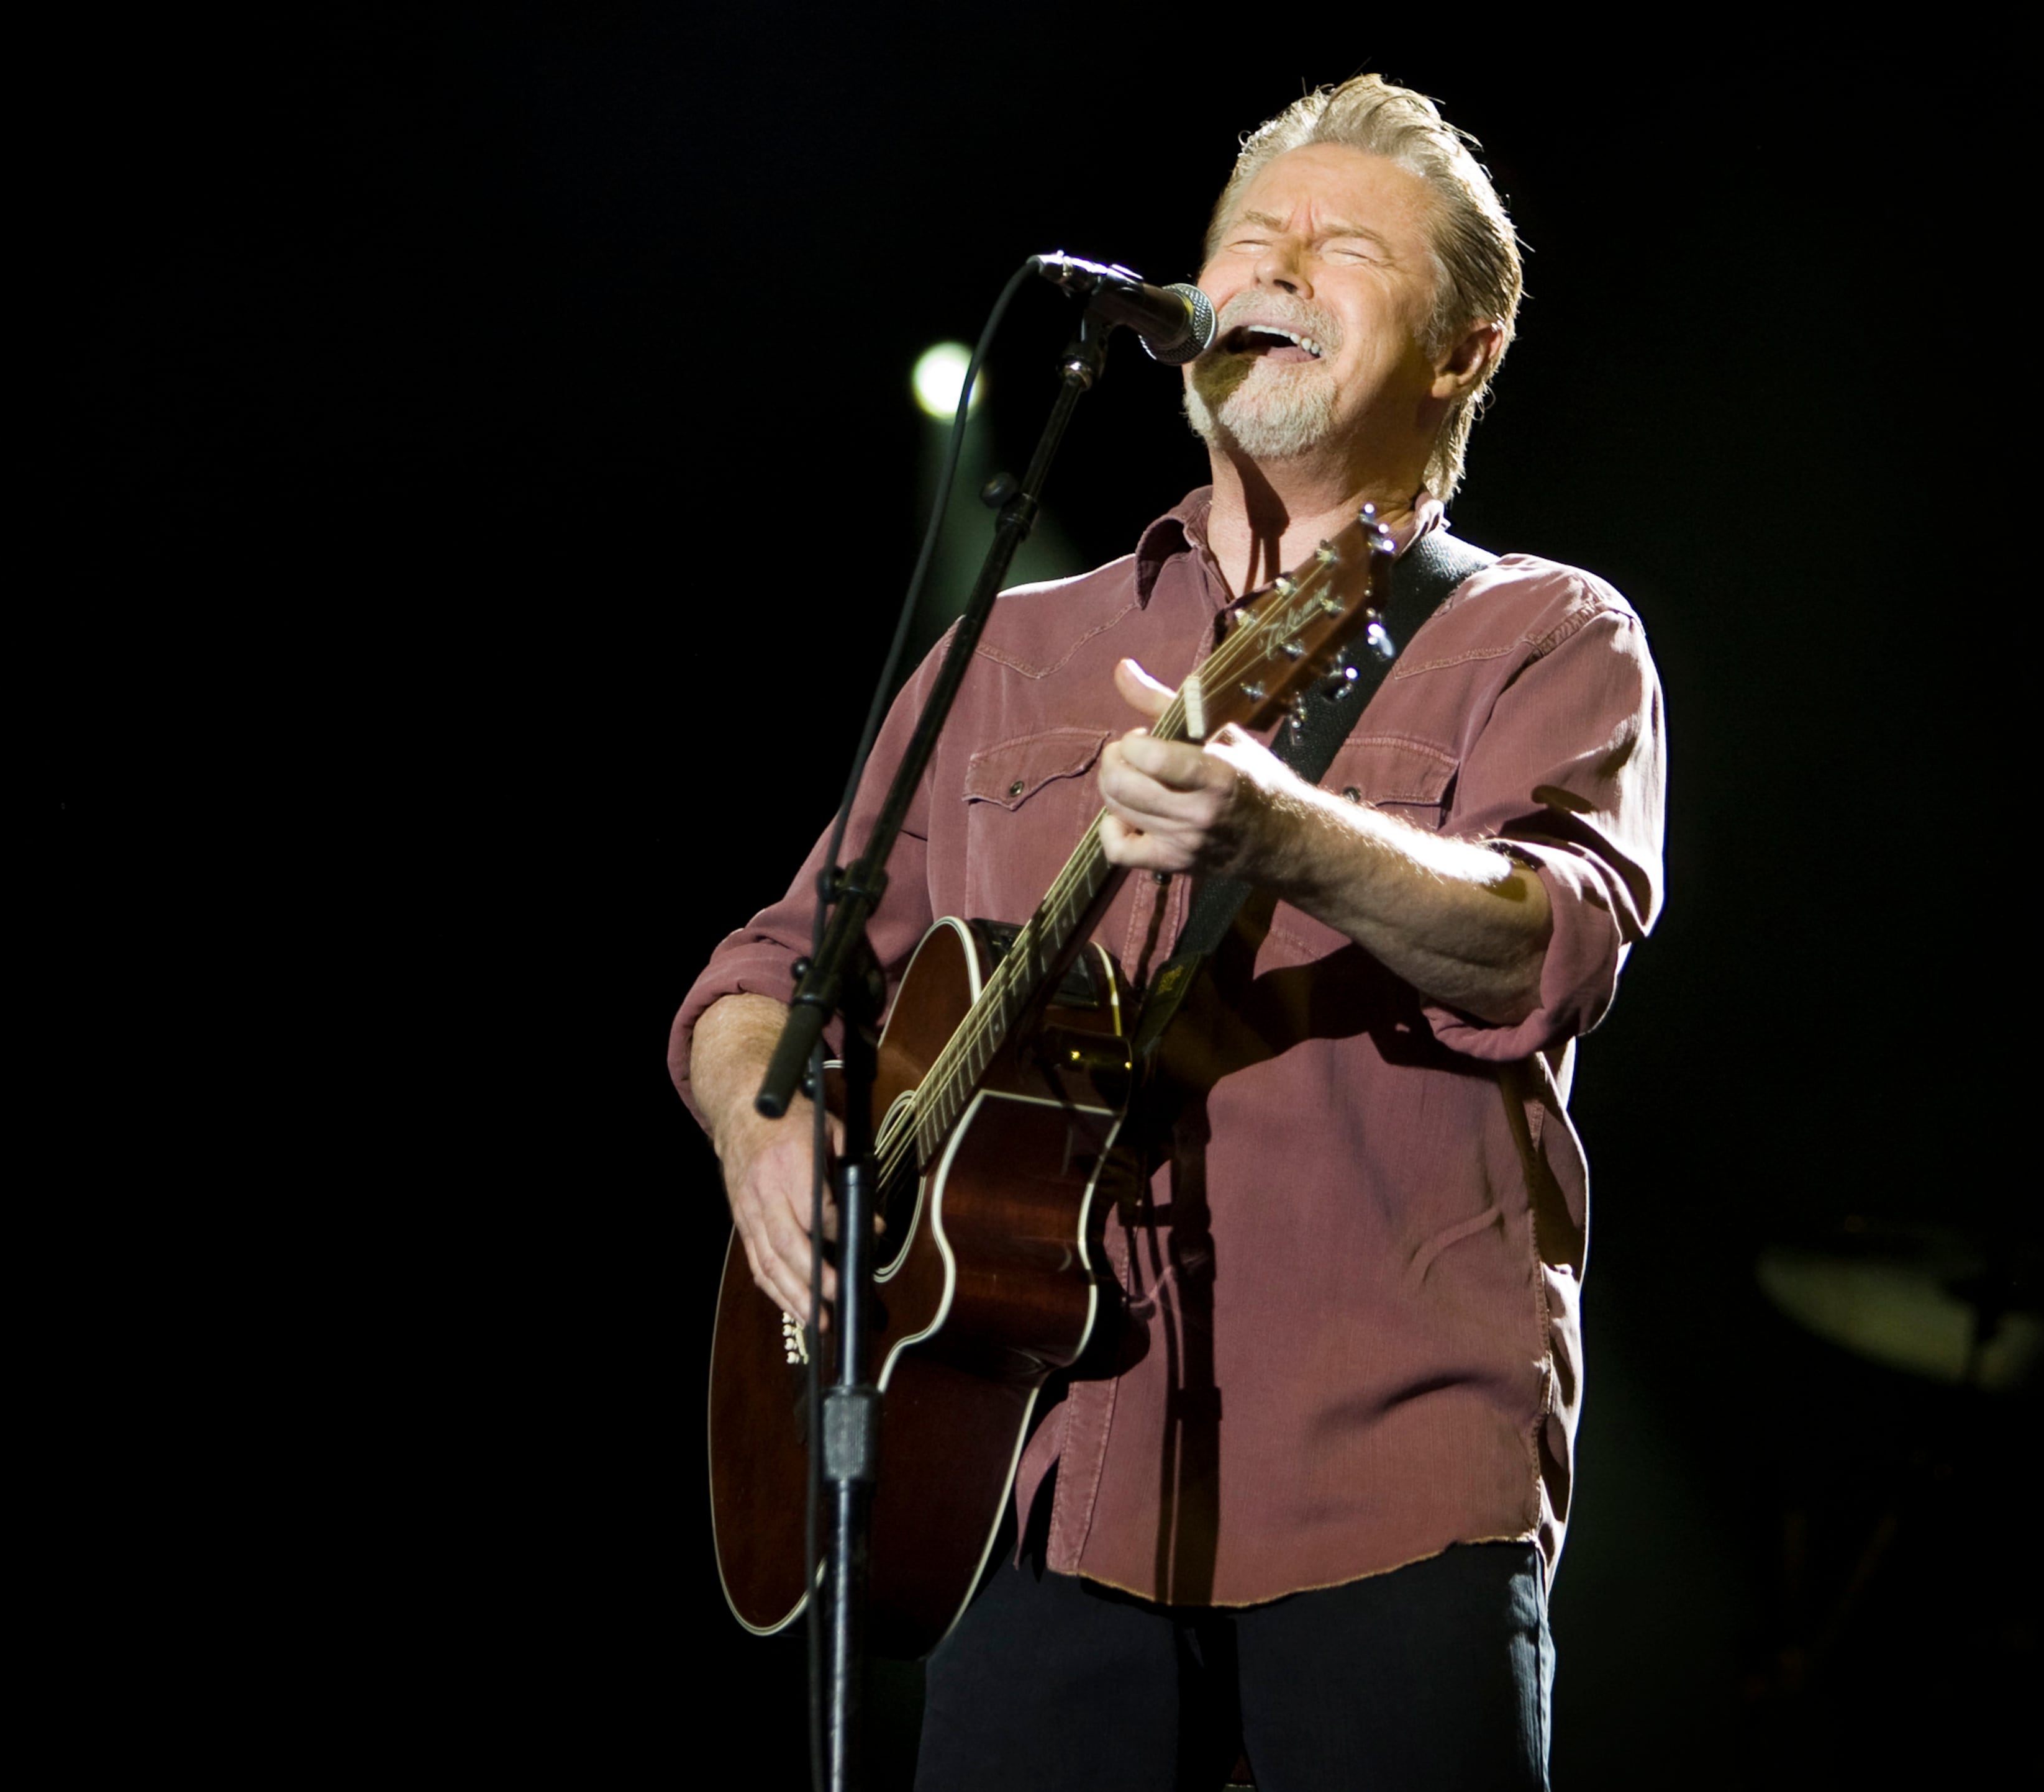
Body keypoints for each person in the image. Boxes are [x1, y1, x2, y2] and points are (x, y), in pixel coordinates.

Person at [671, 76, 1665, 1792]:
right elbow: (765, 973)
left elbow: (1549, 941)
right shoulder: (1009, 649)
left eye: (1343, 249)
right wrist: (768, 1134)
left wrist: (1286, 831)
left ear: (1463, 351)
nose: (1274, 267)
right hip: (1026, 1490)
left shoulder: (1540, 634)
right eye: (1247, 242)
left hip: (1386, 1486)